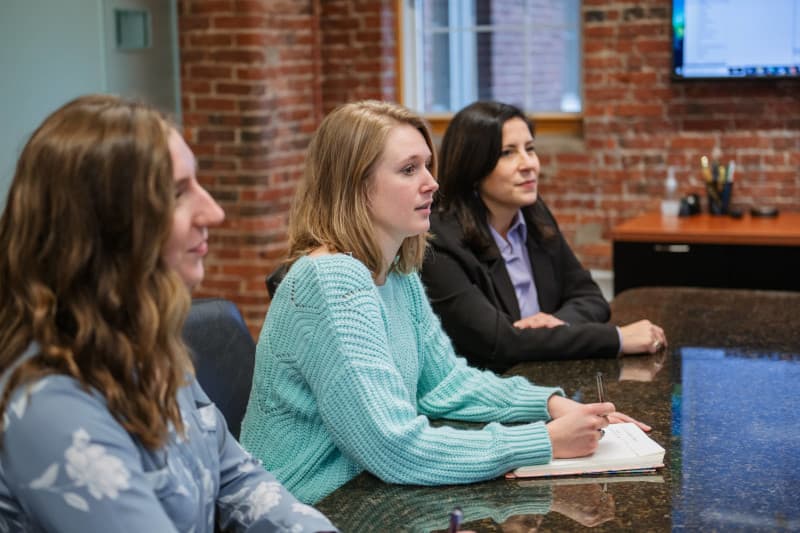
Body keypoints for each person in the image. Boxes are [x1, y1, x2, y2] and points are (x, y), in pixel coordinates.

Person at [239, 100, 648, 505]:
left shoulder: (396, 270)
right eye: (409, 169)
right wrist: (542, 440)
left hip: (365, 494)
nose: (432, 182)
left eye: (428, 165)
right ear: (356, 186)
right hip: (308, 506)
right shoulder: (332, 280)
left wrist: (550, 405)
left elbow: (445, 384)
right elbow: (392, 447)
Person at [0, 95, 337, 532]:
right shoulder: (46, 403)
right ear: (105, 229)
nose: (213, 212)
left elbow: (238, 481)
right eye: (178, 194)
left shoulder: (143, 342)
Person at [421, 101, 667, 373]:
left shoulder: (534, 215)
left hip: (548, 377)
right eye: (508, 153)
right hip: (491, 396)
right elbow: (499, 343)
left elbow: (591, 297)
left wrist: (551, 323)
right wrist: (617, 339)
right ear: (473, 167)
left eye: (530, 149)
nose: (528, 165)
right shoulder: (439, 240)